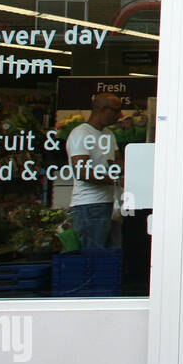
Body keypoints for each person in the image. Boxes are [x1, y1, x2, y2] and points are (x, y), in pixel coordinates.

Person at [65, 94, 123, 250]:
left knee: (111, 259)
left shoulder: (108, 134)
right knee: (93, 260)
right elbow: (82, 172)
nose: (121, 115)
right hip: (89, 206)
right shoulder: (81, 133)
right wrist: (115, 180)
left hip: (110, 204)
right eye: (117, 111)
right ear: (103, 109)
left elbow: (115, 163)